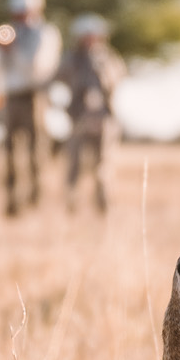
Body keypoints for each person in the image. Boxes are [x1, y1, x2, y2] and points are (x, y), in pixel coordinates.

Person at [0, 0, 61, 217]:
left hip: (35, 96)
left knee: (36, 151)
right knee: (9, 151)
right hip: (11, 97)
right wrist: (1, 50)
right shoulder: (10, 32)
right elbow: (0, 68)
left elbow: (35, 66)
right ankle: (12, 201)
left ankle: (35, 199)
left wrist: (13, 49)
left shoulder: (45, 33)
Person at [55, 13, 126, 214]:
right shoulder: (71, 59)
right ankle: (71, 207)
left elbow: (116, 80)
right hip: (78, 117)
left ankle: (104, 207)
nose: (89, 40)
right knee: (73, 166)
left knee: (103, 167)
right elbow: (56, 79)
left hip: (104, 118)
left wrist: (100, 68)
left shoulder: (109, 58)